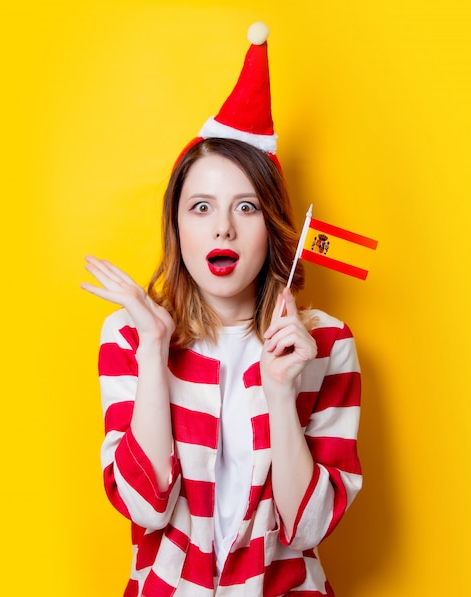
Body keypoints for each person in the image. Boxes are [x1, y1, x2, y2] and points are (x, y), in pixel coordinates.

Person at [81, 23, 362, 597]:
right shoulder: (130, 338)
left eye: (247, 207)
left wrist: (282, 392)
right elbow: (144, 507)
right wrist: (156, 351)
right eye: (201, 206)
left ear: (273, 227)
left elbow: (306, 529)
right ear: (177, 225)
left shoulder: (327, 345)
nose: (223, 228)